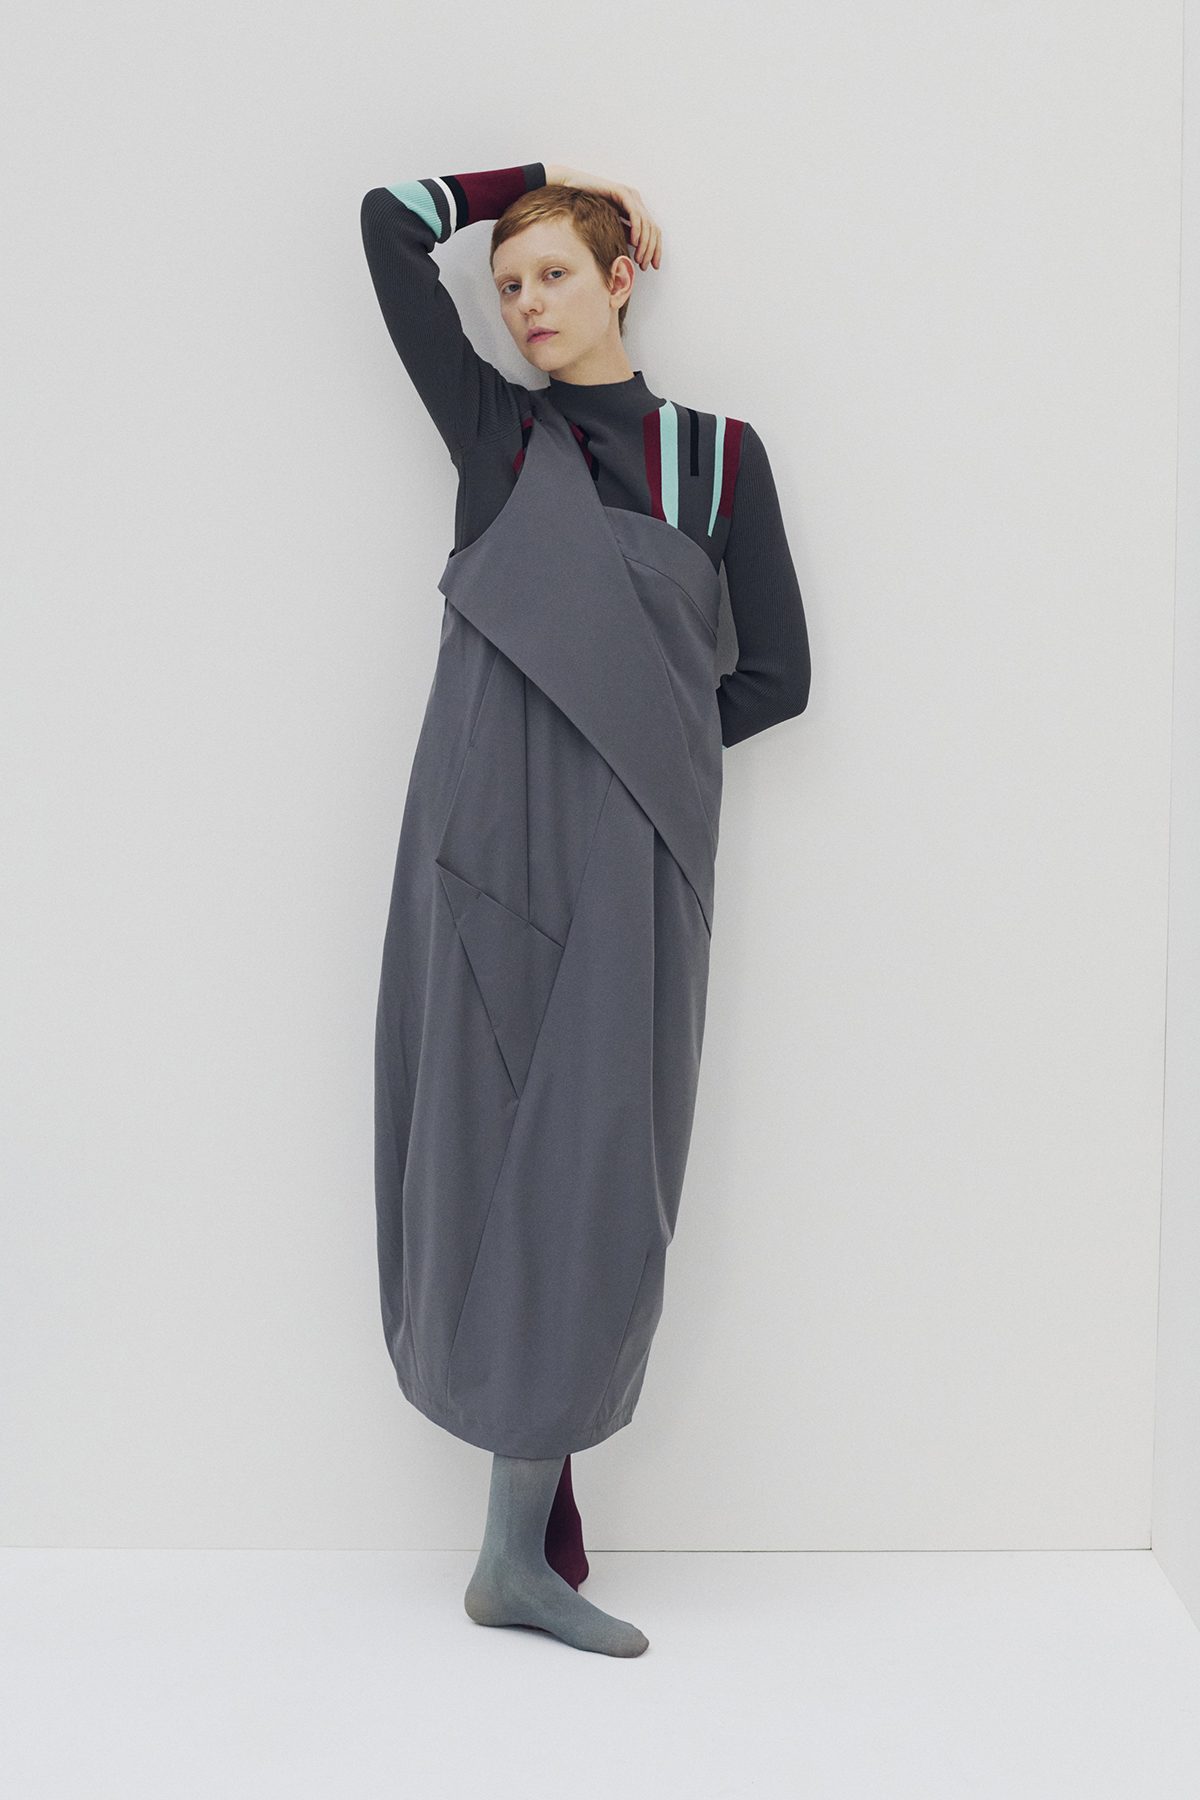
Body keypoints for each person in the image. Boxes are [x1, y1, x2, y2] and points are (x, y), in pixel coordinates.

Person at [361, 161, 810, 1658]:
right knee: (486, 1155)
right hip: (485, 848)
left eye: (552, 271)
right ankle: (510, 1557)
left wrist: (642, 754)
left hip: (633, 856)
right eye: (507, 285)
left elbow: (777, 675)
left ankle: (513, 1561)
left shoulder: (718, 458)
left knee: (599, 1173)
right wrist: (536, 180)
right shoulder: (503, 436)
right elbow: (384, 225)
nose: (524, 304)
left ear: (623, 280)